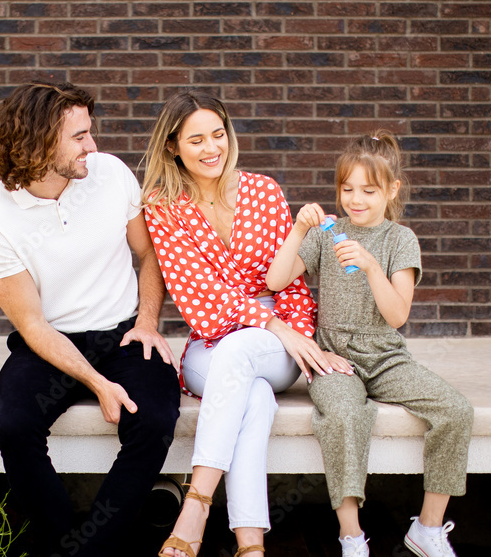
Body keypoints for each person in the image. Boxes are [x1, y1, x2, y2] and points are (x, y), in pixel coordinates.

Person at [0, 81, 181, 557]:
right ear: (39, 144)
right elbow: (34, 326)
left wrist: (147, 322)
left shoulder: (109, 174)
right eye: (79, 137)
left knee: (154, 420)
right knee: (17, 426)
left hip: (125, 333)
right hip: (51, 344)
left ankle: (88, 550)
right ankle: (64, 542)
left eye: (90, 132)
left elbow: (149, 256)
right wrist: (97, 382)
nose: (93, 145)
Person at [140, 91, 354, 557]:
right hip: (211, 342)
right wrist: (273, 326)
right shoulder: (163, 205)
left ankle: (196, 504)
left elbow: (291, 281)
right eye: (196, 139)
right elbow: (201, 301)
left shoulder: (264, 190)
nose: (211, 147)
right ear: (173, 146)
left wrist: (291, 331)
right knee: (252, 396)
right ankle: (250, 544)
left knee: (244, 356)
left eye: (218, 134)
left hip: (277, 347)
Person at [266, 131, 474, 557]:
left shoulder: (401, 240)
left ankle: (429, 528)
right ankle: (351, 535)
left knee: (456, 409)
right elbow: (275, 280)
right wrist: (297, 229)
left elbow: (397, 316)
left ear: (392, 190)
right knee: (343, 415)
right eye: (347, 189)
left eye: (368, 190)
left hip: (386, 355)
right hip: (335, 356)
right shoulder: (327, 233)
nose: (355, 199)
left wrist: (371, 266)